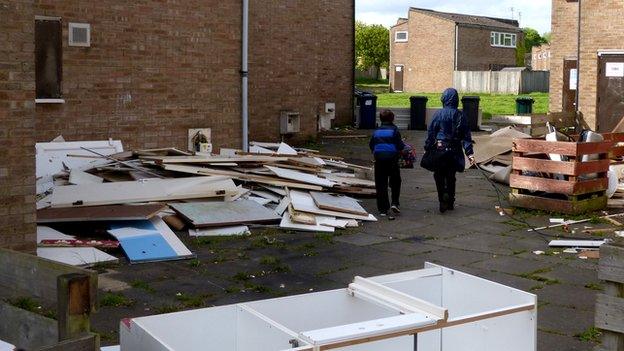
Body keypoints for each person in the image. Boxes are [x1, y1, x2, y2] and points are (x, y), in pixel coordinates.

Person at [425, 88, 475, 213]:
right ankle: (451, 200)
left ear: (444, 99)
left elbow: (431, 132)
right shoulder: (461, 115)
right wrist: (470, 153)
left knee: (439, 175)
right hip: (455, 149)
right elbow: (466, 137)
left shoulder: (438, 114)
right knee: (451, 175)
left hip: (440, 148)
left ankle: (442, 199)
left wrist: (428, 146)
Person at [369, 110, 405, 219]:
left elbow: (371, 145)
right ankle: (395, 202)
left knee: (381, 184)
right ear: (392, 119)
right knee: (395, 181)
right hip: (392, 159)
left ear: (380, 119)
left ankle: (383, 209)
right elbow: (400, 146)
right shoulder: (394, 130)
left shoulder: (376, 132)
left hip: (379, 159)